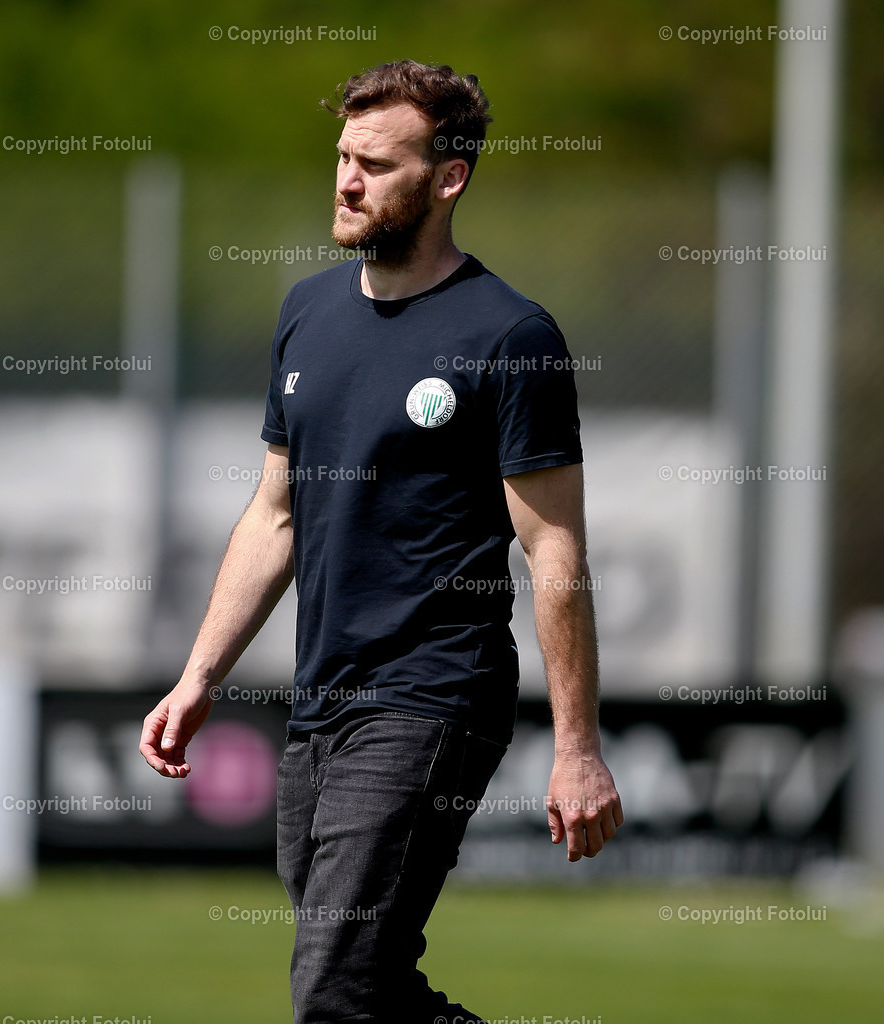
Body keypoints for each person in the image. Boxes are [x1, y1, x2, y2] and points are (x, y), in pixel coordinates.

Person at [140, 59, 623, 1024]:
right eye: (342, 157)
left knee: (333, 987)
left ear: (448, 178)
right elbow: (276, 515)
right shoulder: (307, 312)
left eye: (375, 162)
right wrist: (200, 676)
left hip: (433, 693)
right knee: (368, 983)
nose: (347, 180)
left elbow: (555, 555)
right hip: (321, 700)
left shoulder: (510, 335)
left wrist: (579, 750)